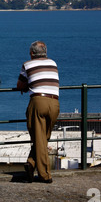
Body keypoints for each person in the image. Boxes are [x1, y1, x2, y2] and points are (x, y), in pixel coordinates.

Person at [17, 41, 60, 183]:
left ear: (31, 53)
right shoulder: (53, 63)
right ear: (45, 52)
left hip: (38, 102)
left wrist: (27, 85)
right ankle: (31, 163)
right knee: (43, 138)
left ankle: (45, 175)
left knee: (40, 139)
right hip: (55, 103)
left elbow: (20, 85)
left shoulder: (27, 64)